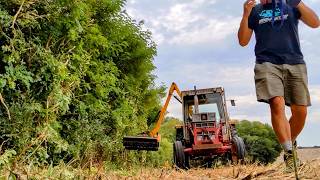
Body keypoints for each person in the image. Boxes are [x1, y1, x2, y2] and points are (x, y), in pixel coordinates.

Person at [238, 0, 319, 173]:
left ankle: (291, 140)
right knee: (276, 102)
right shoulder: (255, 11)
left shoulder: (290, 5)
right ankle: (289, 152)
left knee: (301, 111)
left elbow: (315, 22)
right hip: (266, 63)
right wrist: (245, 14)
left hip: (295, 62)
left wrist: (298, 3)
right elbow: (243, 41)